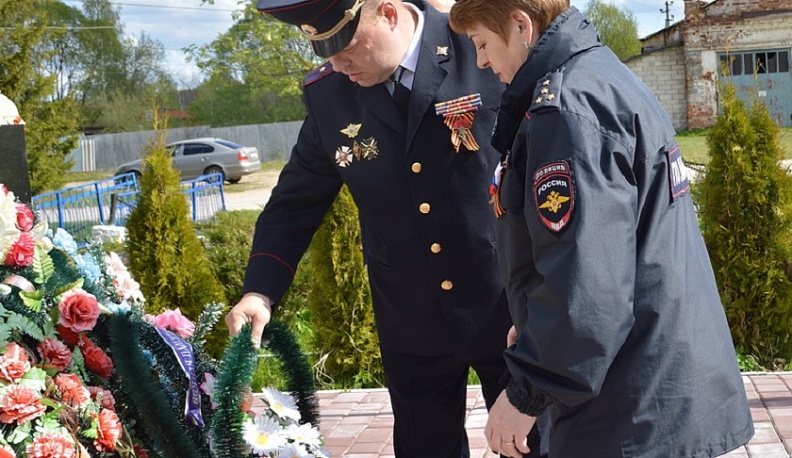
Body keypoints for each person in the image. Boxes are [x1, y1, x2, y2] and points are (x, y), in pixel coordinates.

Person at [224, 0, 544, 456]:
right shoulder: (330, 94)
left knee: (533, 446)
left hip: (507, 309)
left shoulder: (479, 47)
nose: (337, 63)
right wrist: (260, 291)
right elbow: (294, 203)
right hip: (412, 320)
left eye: (347, 45)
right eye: (325, 52)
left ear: (389, 14)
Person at [448, 0, 754, 456]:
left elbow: (589, 288)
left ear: (520, 25)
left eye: (483, 43)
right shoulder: (602, 77)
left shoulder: (567, 112)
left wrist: (528, 390)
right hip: (658, 384)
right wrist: (534, 327)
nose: (481, 61)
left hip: (630, 406)